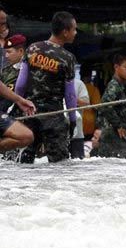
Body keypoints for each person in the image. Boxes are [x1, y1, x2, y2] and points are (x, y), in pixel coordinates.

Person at [15, 11, 78, 164]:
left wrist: (18, 105)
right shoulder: (68, 58)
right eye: (74, 29)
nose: (76, 33)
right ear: (65, 32)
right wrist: (72, 119)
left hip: (30, 114)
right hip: (54, 118)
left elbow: (21, 84)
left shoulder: (32, 49)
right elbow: (70, 95)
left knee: (23, 162)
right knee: (59, 165)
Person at [97, 53, 126, 158]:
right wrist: (118, 126)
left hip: (115, 135)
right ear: (116, 67)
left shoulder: (121, 85)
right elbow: (105, 105)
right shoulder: (114, 85)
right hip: (113, 135)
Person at [0, 34, 26, 114]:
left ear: (21, 51)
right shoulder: (5, 70)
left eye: (9, 52)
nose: (6, 56)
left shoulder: (31, 70)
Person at [68, 78, 89, 159]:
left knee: (78, 164)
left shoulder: (78, 83)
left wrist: (71, 99)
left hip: (77, 133)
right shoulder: (53, 83)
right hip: (56, 134)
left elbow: (87, 104)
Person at [80, 64, 101, 140]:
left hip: (76, 124)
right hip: (89, 125)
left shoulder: (74, 88)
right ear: (90, 75)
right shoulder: (94, 90)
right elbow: (96, 107)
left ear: (80, 74)